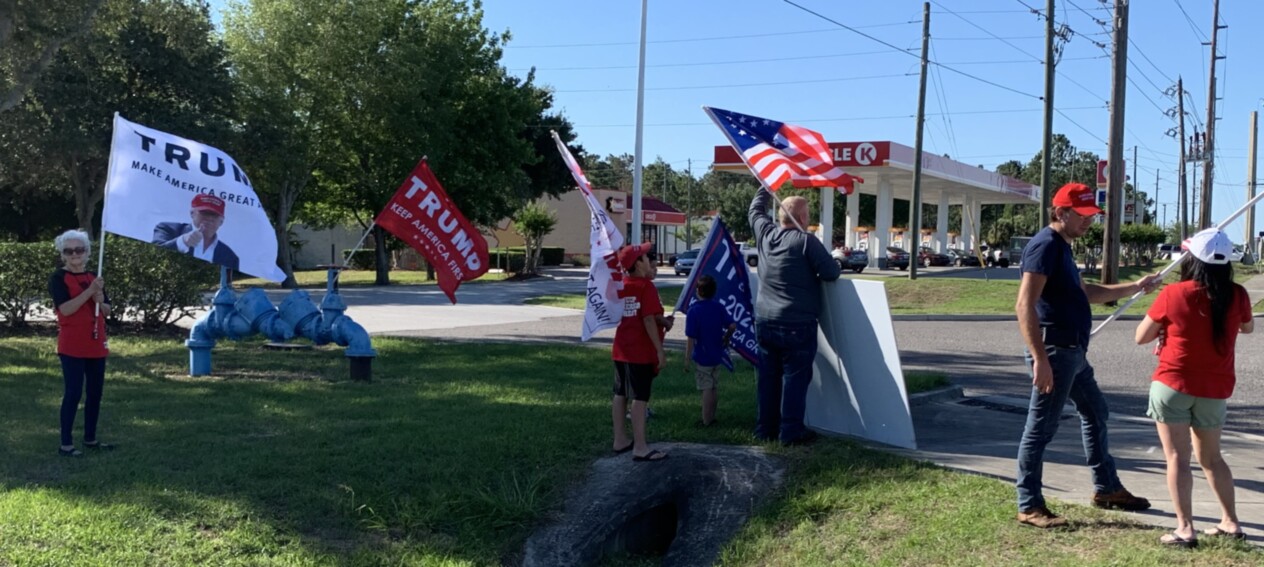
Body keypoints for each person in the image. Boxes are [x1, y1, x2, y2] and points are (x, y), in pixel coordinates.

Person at [1014, 182, 1161, 528]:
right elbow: (1024, 304)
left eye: (1092, 216)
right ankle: (1029, 504)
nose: (1089, 223)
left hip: (1073, 353)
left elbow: (1085, 292)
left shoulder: (1062, 247)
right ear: (1061, 212)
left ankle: (1106, 488)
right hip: (1054, 351)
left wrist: (1135, 286)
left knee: (1096, 412)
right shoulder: (1045, 246)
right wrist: (1040, 358)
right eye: (1082, 216)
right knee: (1040, 429)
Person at [1134, 228, 1253, 547]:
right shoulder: (1238, 294)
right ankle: (1231, 521)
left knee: (1177, 458)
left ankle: (1185, 528)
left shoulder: (1173, 294)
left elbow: (1141, 336)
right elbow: (1248, 327)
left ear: (1192, 260)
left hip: (1173, 383)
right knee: (1212, 458)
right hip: (1215, 388)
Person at [748, 187, 840, 445]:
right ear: (800, 217)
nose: (809, 219)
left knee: (768, 379)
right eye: (808, 214)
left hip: (765, 320)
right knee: (795, 380)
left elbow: (754, 211)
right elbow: (831, 272)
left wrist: (765, 188)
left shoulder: (765, 234)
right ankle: (790, 432)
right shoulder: (806, 241)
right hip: (796, 324)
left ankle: (765, 430)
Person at [48, 229, 113, 457]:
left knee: (95, 393)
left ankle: (90, 438)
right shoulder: (58, 278)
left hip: (96, 343)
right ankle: (66, 443)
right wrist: (89, 293)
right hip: (72, 344)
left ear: (87, 253)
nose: (75, 254)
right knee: (74, 392)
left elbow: (106, 310)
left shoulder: (95, 276)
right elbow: (65, 310)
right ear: (63, 254)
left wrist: (101, 299)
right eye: (69, 251)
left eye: (79, 250)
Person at [610, 242, 673, 461]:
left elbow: (641, 314)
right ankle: (640, 446)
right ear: (638, 264)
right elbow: (647, 318)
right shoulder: (646, 287)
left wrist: (663, 321)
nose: (650, 262)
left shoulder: (623, 284)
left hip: (621, 349)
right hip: (640, 351)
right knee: (640, 397)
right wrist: (659, 350)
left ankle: (620, 439)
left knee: (620, 393)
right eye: (646, 258)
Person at [684, 275, 736, 427]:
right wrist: (726, 337)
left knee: (706, 388)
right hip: (716, 354)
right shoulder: (719, 307)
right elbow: (732, 325)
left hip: (702, 355)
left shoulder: (694, 311)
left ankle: (706, 420)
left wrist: (687, 359)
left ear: (698, 291)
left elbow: (690, 338)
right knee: (713, 387)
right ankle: (712, 416)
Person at [153, 194, 240, 270]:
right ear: (192, 213)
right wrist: (183, 242)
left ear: (221, 221)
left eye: (214, 215)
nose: (209, 218)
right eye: (204, 213)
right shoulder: (167, 229)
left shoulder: (230, 257)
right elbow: (153, 256)